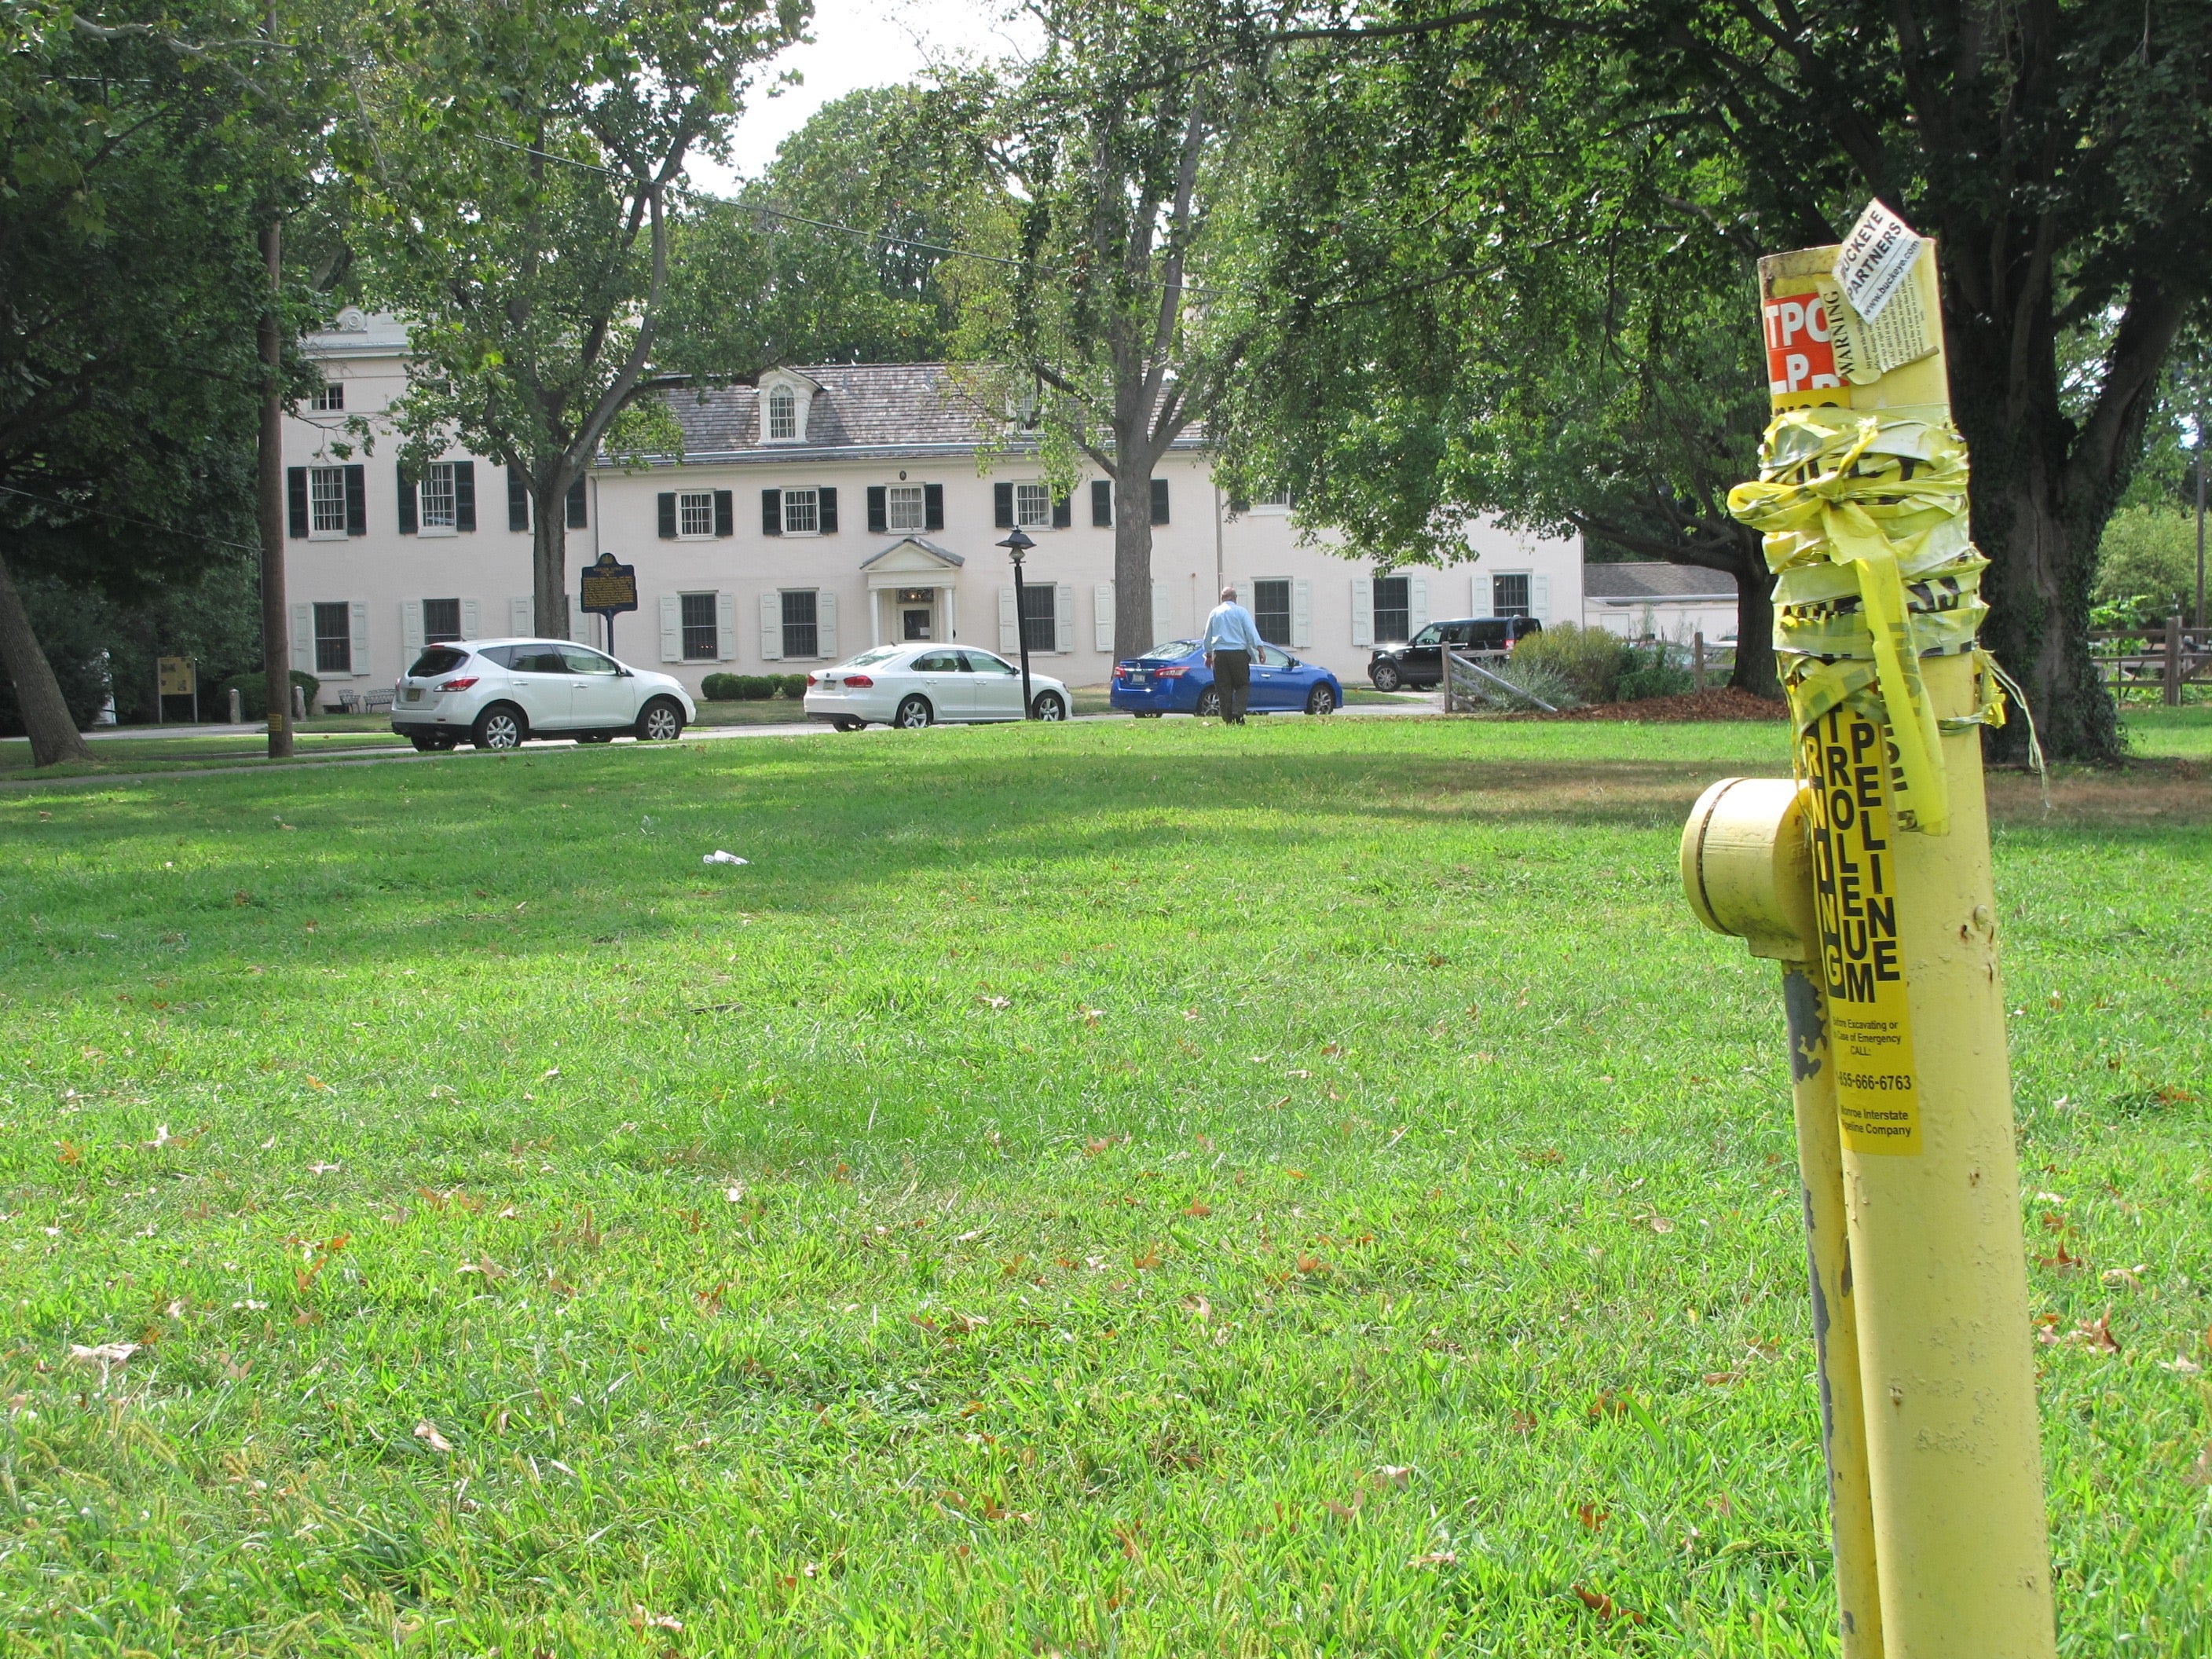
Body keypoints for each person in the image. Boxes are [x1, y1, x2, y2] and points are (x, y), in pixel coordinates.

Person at [1201, 584, 1265, 723]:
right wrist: (1260, 649)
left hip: (1220, 655)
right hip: (1238, 654)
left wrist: (1209, 655)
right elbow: (1251, 632)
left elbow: (1207, 636)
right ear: (1235, 598)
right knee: (1242, 685)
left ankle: (1228, 719)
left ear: (1222, 598)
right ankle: (1238, 712)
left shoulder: (1215, 613)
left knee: (1224, 687)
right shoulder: (1241, 612)